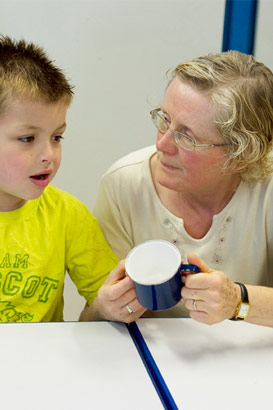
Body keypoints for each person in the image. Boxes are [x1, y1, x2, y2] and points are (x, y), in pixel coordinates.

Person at [93, 50, 273, 327]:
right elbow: (92, 325)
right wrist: (103, 310)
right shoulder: (123, 186)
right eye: (164, 120)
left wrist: (237, 301)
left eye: (186, 137)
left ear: (242, 153)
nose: (162, 145)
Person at [0, 35, 145, 323]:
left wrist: (107, 308)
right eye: (27, 138)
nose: (48, 155)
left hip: (43, 365)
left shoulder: (68, 215)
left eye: (57, 137)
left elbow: (101, 315)